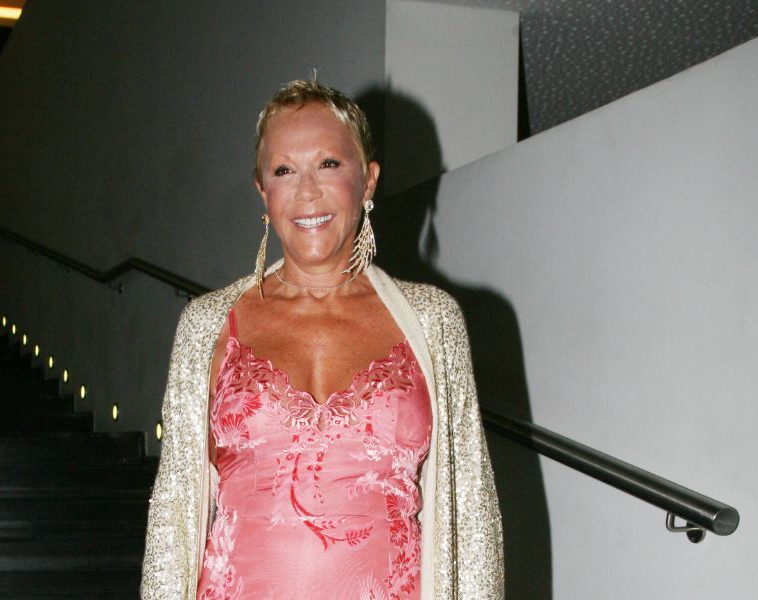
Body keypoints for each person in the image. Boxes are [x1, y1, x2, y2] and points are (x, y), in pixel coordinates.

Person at [141, 79, 503, 599]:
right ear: (263, 192)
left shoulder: (433, 321)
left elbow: (471, 513)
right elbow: (173, 513)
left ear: (368, 180)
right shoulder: (207, 324)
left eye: (328, 164)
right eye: (284, 170)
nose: (306, 191)